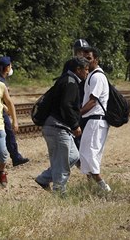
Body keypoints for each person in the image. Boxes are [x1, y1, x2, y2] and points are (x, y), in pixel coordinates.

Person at [35, 57, 89, 194]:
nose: (87, 73)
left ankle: (44, 178)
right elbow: (67, 105)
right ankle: (59, 192)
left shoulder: (65, 80)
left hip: (55, 126)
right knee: (62, 164)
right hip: (58, 128)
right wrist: (75, 125)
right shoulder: (71, 83)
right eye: (86, 70)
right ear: (78, 70)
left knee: (73, 156)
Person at [79, 47, 112, 192]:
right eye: (84, 58)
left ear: (96, 60)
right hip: (92, 120)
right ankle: (92, 186)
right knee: (87, 153)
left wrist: (78, 114)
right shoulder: (91, 75)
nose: (86, 61)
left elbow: (93, 101)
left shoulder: (97, 77)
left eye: (89, 58)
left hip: (96, 120)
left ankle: (103, 186)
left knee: (89, 152)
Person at [0, 56, 29, 167]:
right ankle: (15, 157)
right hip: (0, 113)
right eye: (10, 66)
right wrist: (4, 106)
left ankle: (15, 157)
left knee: (7, 135)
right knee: (9, 134)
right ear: (7, 68)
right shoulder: (0, 81)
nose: (11, 68)